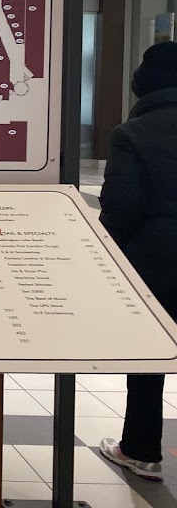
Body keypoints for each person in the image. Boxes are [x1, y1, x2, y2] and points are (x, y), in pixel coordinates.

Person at [99, 40, 177, 481]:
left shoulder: (134, 133)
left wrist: (105, 257)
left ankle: (142, 451)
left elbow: (121, 208)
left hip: (157, 264)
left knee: (150, 360)